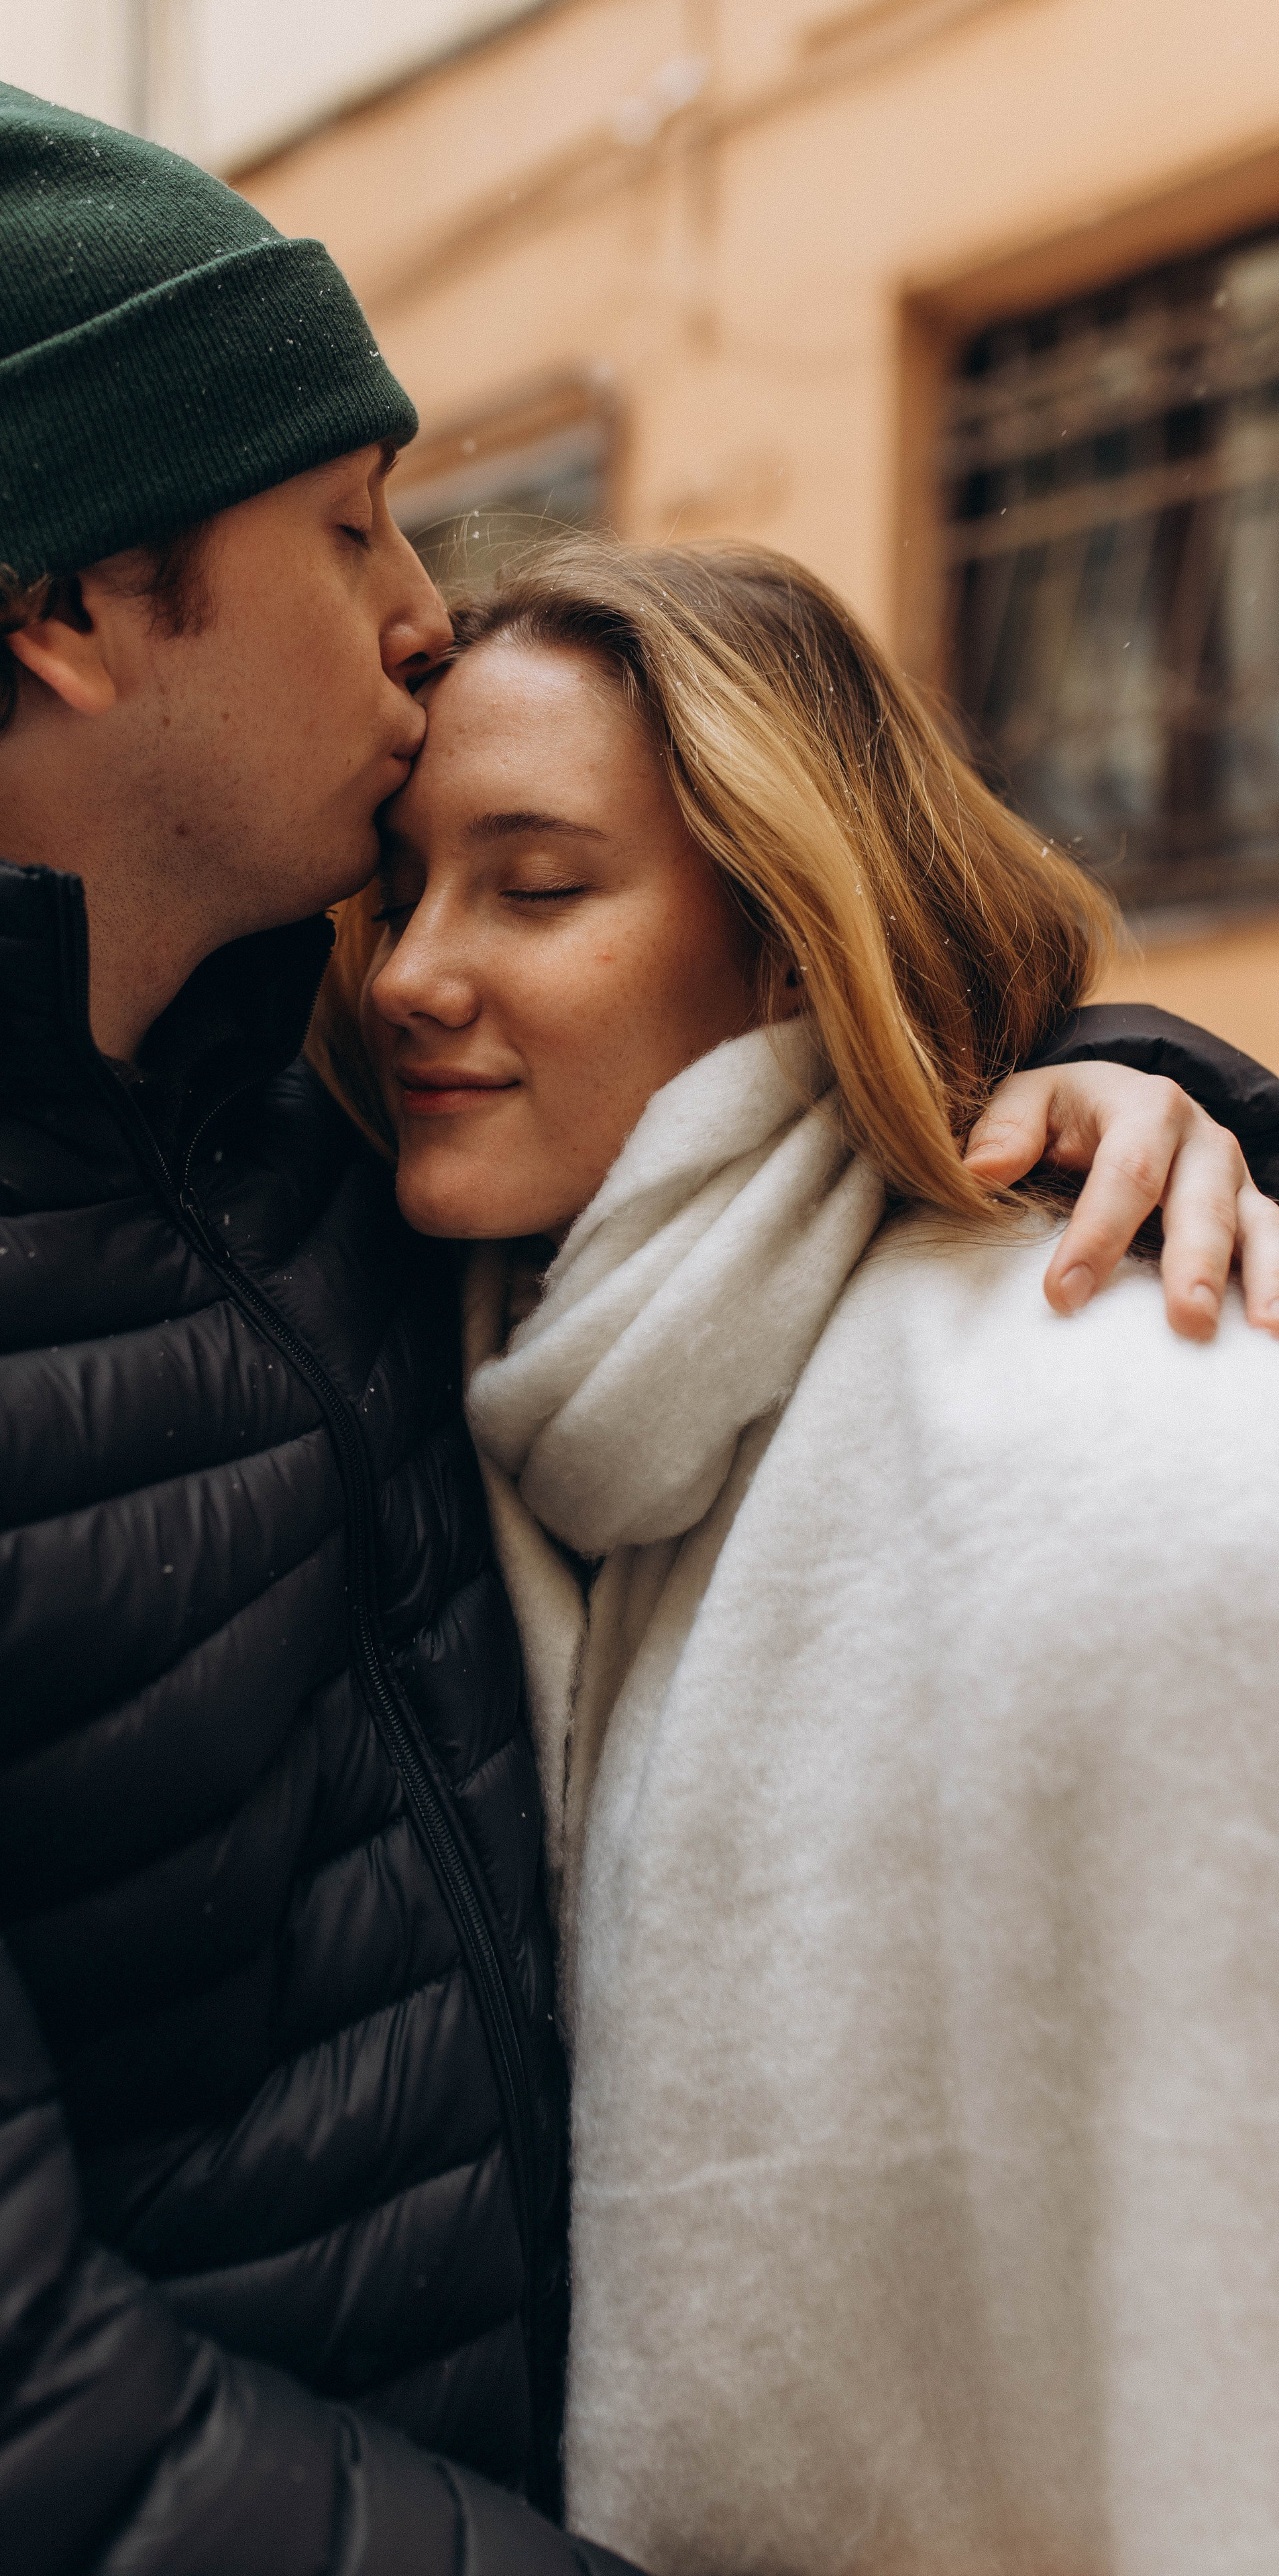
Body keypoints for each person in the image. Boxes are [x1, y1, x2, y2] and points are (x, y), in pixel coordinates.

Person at [0, 40, 1268, 2576]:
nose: (418, 606)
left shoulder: (282, 1101)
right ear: (66, 607)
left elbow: (744, 1110)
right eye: (350, 523)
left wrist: (1125, 1073)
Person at [319, 534, 1279, 2576]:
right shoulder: (467, 1361)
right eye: (397, 888)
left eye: (539, 884)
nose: (409, 971)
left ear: (786, 940)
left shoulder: (1131, 1438)